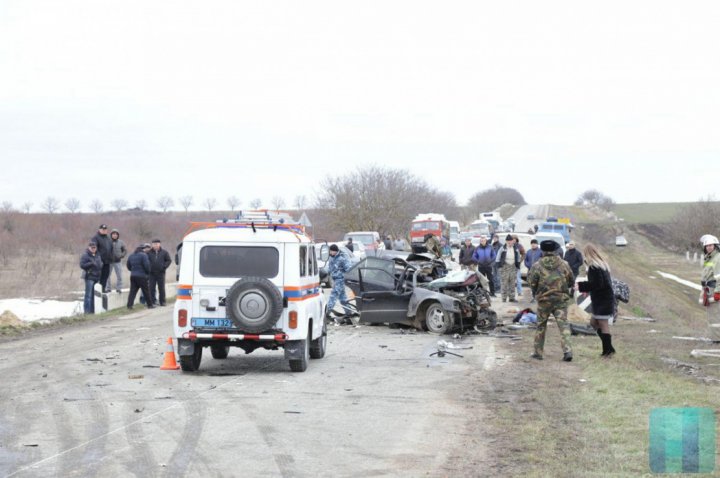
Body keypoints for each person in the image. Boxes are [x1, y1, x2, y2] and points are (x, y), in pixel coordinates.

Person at [528, 240, 575, 361]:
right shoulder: (564, 264)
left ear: (542, 251)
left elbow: (532, 282)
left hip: (544, 301)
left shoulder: (537, 265)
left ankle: (538, 353)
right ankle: (567, 351)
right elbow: (571, 281)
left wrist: (536, 293)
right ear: (555, 250)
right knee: (563, 325)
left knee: (541, 326)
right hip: (560, 300)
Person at [576, 244, 616, 357]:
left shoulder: (594, 267)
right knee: (593, 322)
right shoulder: (602, 265)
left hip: (602, 300)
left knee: (603, 324)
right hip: (603, 299)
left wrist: (580, 286)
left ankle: (607, 351)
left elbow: (597, 284)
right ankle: (610, 347)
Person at [700, 234, 720, 342]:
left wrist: (718, 292)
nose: (709, 247)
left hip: (714, 289)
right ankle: (715, 337)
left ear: (715, 246)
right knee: (711, 315)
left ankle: (717, 339)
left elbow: (719, 277)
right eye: (707, 246)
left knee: (716, 315)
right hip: (708, 289)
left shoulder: (718, 257)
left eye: (711, 245)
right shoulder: (709, 257)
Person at [326, 244, 354, 320]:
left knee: (333, 295)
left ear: (335, 251)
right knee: (342, 298)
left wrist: (343, 275)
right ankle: (348, 312)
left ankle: (326, 313)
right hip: (335, 279)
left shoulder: (342, 258)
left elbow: (348, 269)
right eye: (330, 251)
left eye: (332, 251)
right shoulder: (331, 258)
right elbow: (330, 268)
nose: (331, 252)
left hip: (340, 279)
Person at [126, 244, 154, 310]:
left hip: (133, 276)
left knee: (132, 291)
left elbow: (128, 266)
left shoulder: (131, 255)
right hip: (142, 276)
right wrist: (147, 273)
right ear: (142, 249)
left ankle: (129, 306)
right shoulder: (144, 255)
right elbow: (147, 265)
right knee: (146, 291)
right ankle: (150, 305)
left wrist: (133, 270)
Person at [495, 234, 521, 302]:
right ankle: (504, 298)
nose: (509, 242)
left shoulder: (515, 248)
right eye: (508, 241)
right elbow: (498, 257)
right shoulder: (502, 248)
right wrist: (499, 267)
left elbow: (518, 257)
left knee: (512, 283)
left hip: (513, 266)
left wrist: (517, 266)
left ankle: (512, 298)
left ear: (513, 241)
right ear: (506, 241)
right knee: (504, 283)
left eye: (510, 241)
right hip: (505, 266)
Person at [79, 241, 102, 314]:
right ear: (89, 247)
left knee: (94, 296)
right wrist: (91, 263)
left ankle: (93, 311)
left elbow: (100, 265)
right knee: (88, 296)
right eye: (92, 248)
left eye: (94, 247)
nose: (93, 249)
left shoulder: (98, 255)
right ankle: (87, 312)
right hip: (89, 277)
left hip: (97, 277)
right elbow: (82, 265)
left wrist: (100, 265)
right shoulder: (85, 255)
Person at [147, 239, 172, 306]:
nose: (155, 245)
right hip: (151, 273)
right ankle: (152, 302)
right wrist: (148, 268)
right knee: (151, 288)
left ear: (159, 244)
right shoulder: (148, 253)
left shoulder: (164, 252)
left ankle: (162, 302)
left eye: (157, 244)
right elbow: (145, 261)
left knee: (161, 288)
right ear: (152, 245)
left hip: (161, 273)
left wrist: (164, 267)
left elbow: (169, 260)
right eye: (154, 244)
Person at [92, 224, 113, 292]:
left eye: (105, 229)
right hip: (99, 261)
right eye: (102, 229)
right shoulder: (96, 237)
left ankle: (102, 289)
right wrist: (97, 258)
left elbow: (111, 248)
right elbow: (93, 248)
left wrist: (111, 257)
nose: (104, 231)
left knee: (105, 276)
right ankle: (95, 291)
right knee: (98, 277)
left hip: (107, 261)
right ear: (99, 229)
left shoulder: (108, 238)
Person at [108, 229, 127, 293]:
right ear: (111, 235)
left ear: (118, 235)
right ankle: (108, 288)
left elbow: (125, 250)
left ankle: (119, 288)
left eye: (116, 234)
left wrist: (121, 255)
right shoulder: (108, 241)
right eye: (113, 234)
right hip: (109, 261)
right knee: (107, 275)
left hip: (118, 261)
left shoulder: (121, 242)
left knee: (119, 275)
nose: (115, 235)